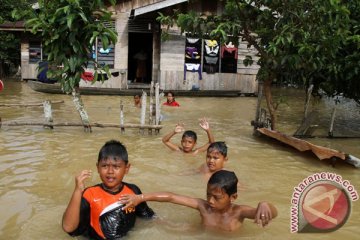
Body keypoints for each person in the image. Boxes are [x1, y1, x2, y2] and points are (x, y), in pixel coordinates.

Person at [119, 170, 277, 232]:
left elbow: (273, 213)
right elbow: (172, 197)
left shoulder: (239, 212)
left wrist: (264, 204)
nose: (211, 201)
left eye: (217, 197)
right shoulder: (203, 206)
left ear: (233, 197)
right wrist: (140, 197)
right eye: (208, 194)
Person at [62, 140, 155, 240]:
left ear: (126, 168)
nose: (110, 172)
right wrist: (77, 191)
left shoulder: (133, 191)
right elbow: (68, 228)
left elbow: (148, 217)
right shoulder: (90, 194)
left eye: (116, 166)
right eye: (104, 166)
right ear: (97, 168)